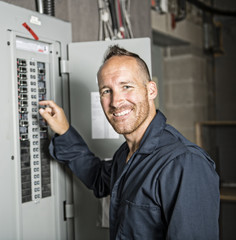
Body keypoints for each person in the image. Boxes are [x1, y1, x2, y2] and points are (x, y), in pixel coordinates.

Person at [38, 45, 220, 239]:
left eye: (126, 86)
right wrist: (65, 131)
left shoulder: (184, 163)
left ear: (150, 90)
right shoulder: (125, 154)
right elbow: (98, 177)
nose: (116, 101)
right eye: (106, 91)